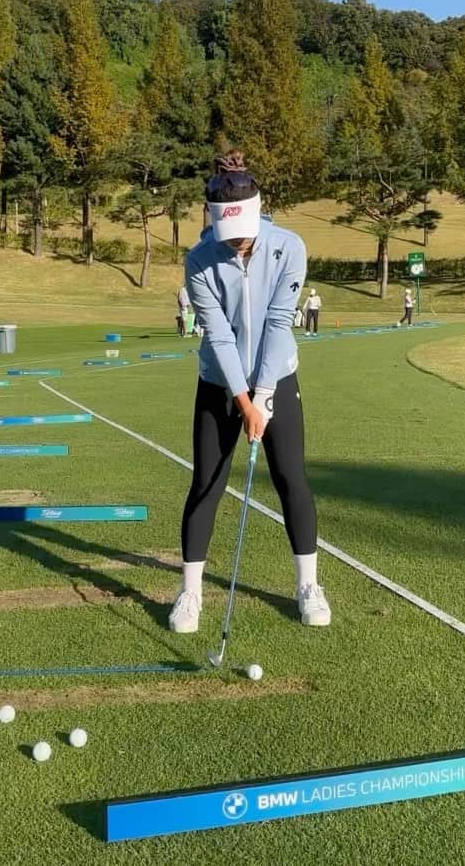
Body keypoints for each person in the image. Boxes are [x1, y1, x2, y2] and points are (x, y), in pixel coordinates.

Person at [169, 158, 331, 634]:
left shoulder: (289, 247)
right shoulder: (200, 259)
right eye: (228, 231)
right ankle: (191, 593)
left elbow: (280, 322)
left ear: (258, 212)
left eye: (243, 230)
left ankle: (308, 586)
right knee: (207, 484)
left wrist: (264, 395)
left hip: (277, 376)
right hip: (219, 382)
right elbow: (217, 334)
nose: (238, 242)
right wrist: (243, 401)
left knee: (291, 479)